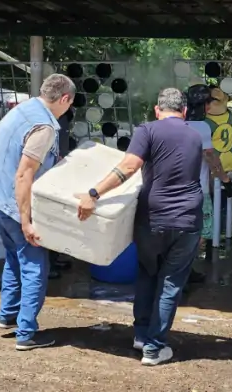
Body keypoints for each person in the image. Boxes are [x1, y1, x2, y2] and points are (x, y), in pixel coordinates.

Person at [76, 88, 203, 366]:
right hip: (187, 220)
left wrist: (95, 193)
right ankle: (155, 347)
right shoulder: (195, 135)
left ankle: (143, 337)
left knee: (147, 274)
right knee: (170, 284)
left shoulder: (148, 130)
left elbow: (130, 166)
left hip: (152, 218)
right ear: (184, 112)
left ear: (157, 110)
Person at [0, 73, 75, 351]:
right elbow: (23, 175)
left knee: (14, 256)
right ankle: (26, 334)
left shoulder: (23, 109)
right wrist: (27, 221)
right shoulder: (43, 126)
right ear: (65, 98)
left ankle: (8, 315)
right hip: (11, 203)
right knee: (35, 265)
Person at [184, 84, 232, 284]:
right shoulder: (203, 127)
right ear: (205, 106)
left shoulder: (178, 124)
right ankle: (185, 269)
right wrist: (225, 180)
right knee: (203, 232)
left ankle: (181, 269)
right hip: (199, 190)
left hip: (177, 189)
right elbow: (210, 157)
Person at [49, 108, 75, 280]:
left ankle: (54, 258)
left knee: (57, 221)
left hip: (59, 174)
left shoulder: (61, 120)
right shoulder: (52, 122)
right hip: (51, 178)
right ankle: (48, 264)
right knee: (50, 221)